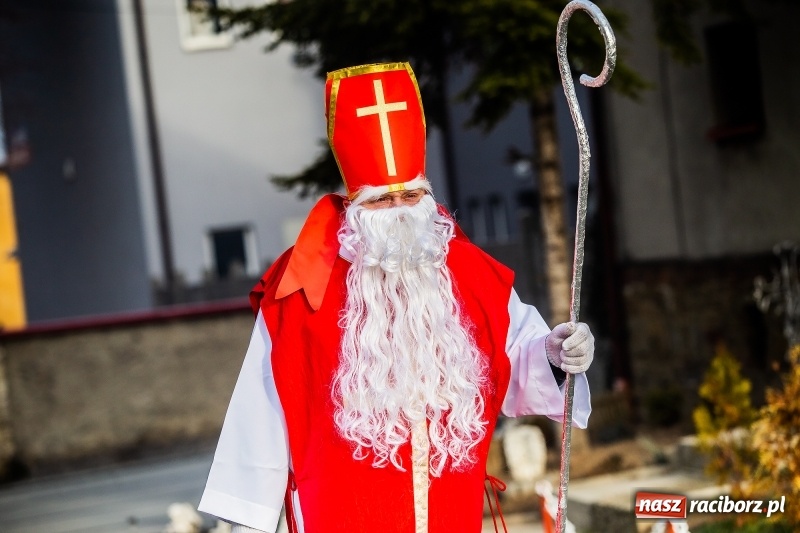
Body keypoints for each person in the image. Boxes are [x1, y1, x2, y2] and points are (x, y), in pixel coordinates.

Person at [198, 62, 594, 533]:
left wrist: (554, 352)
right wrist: (249, 521)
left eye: (410, 195)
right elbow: (259, 414)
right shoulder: (302, 289)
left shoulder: (469, 274)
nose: (400, 213)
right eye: (383, 201)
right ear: (355, 206)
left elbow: (517, 361)